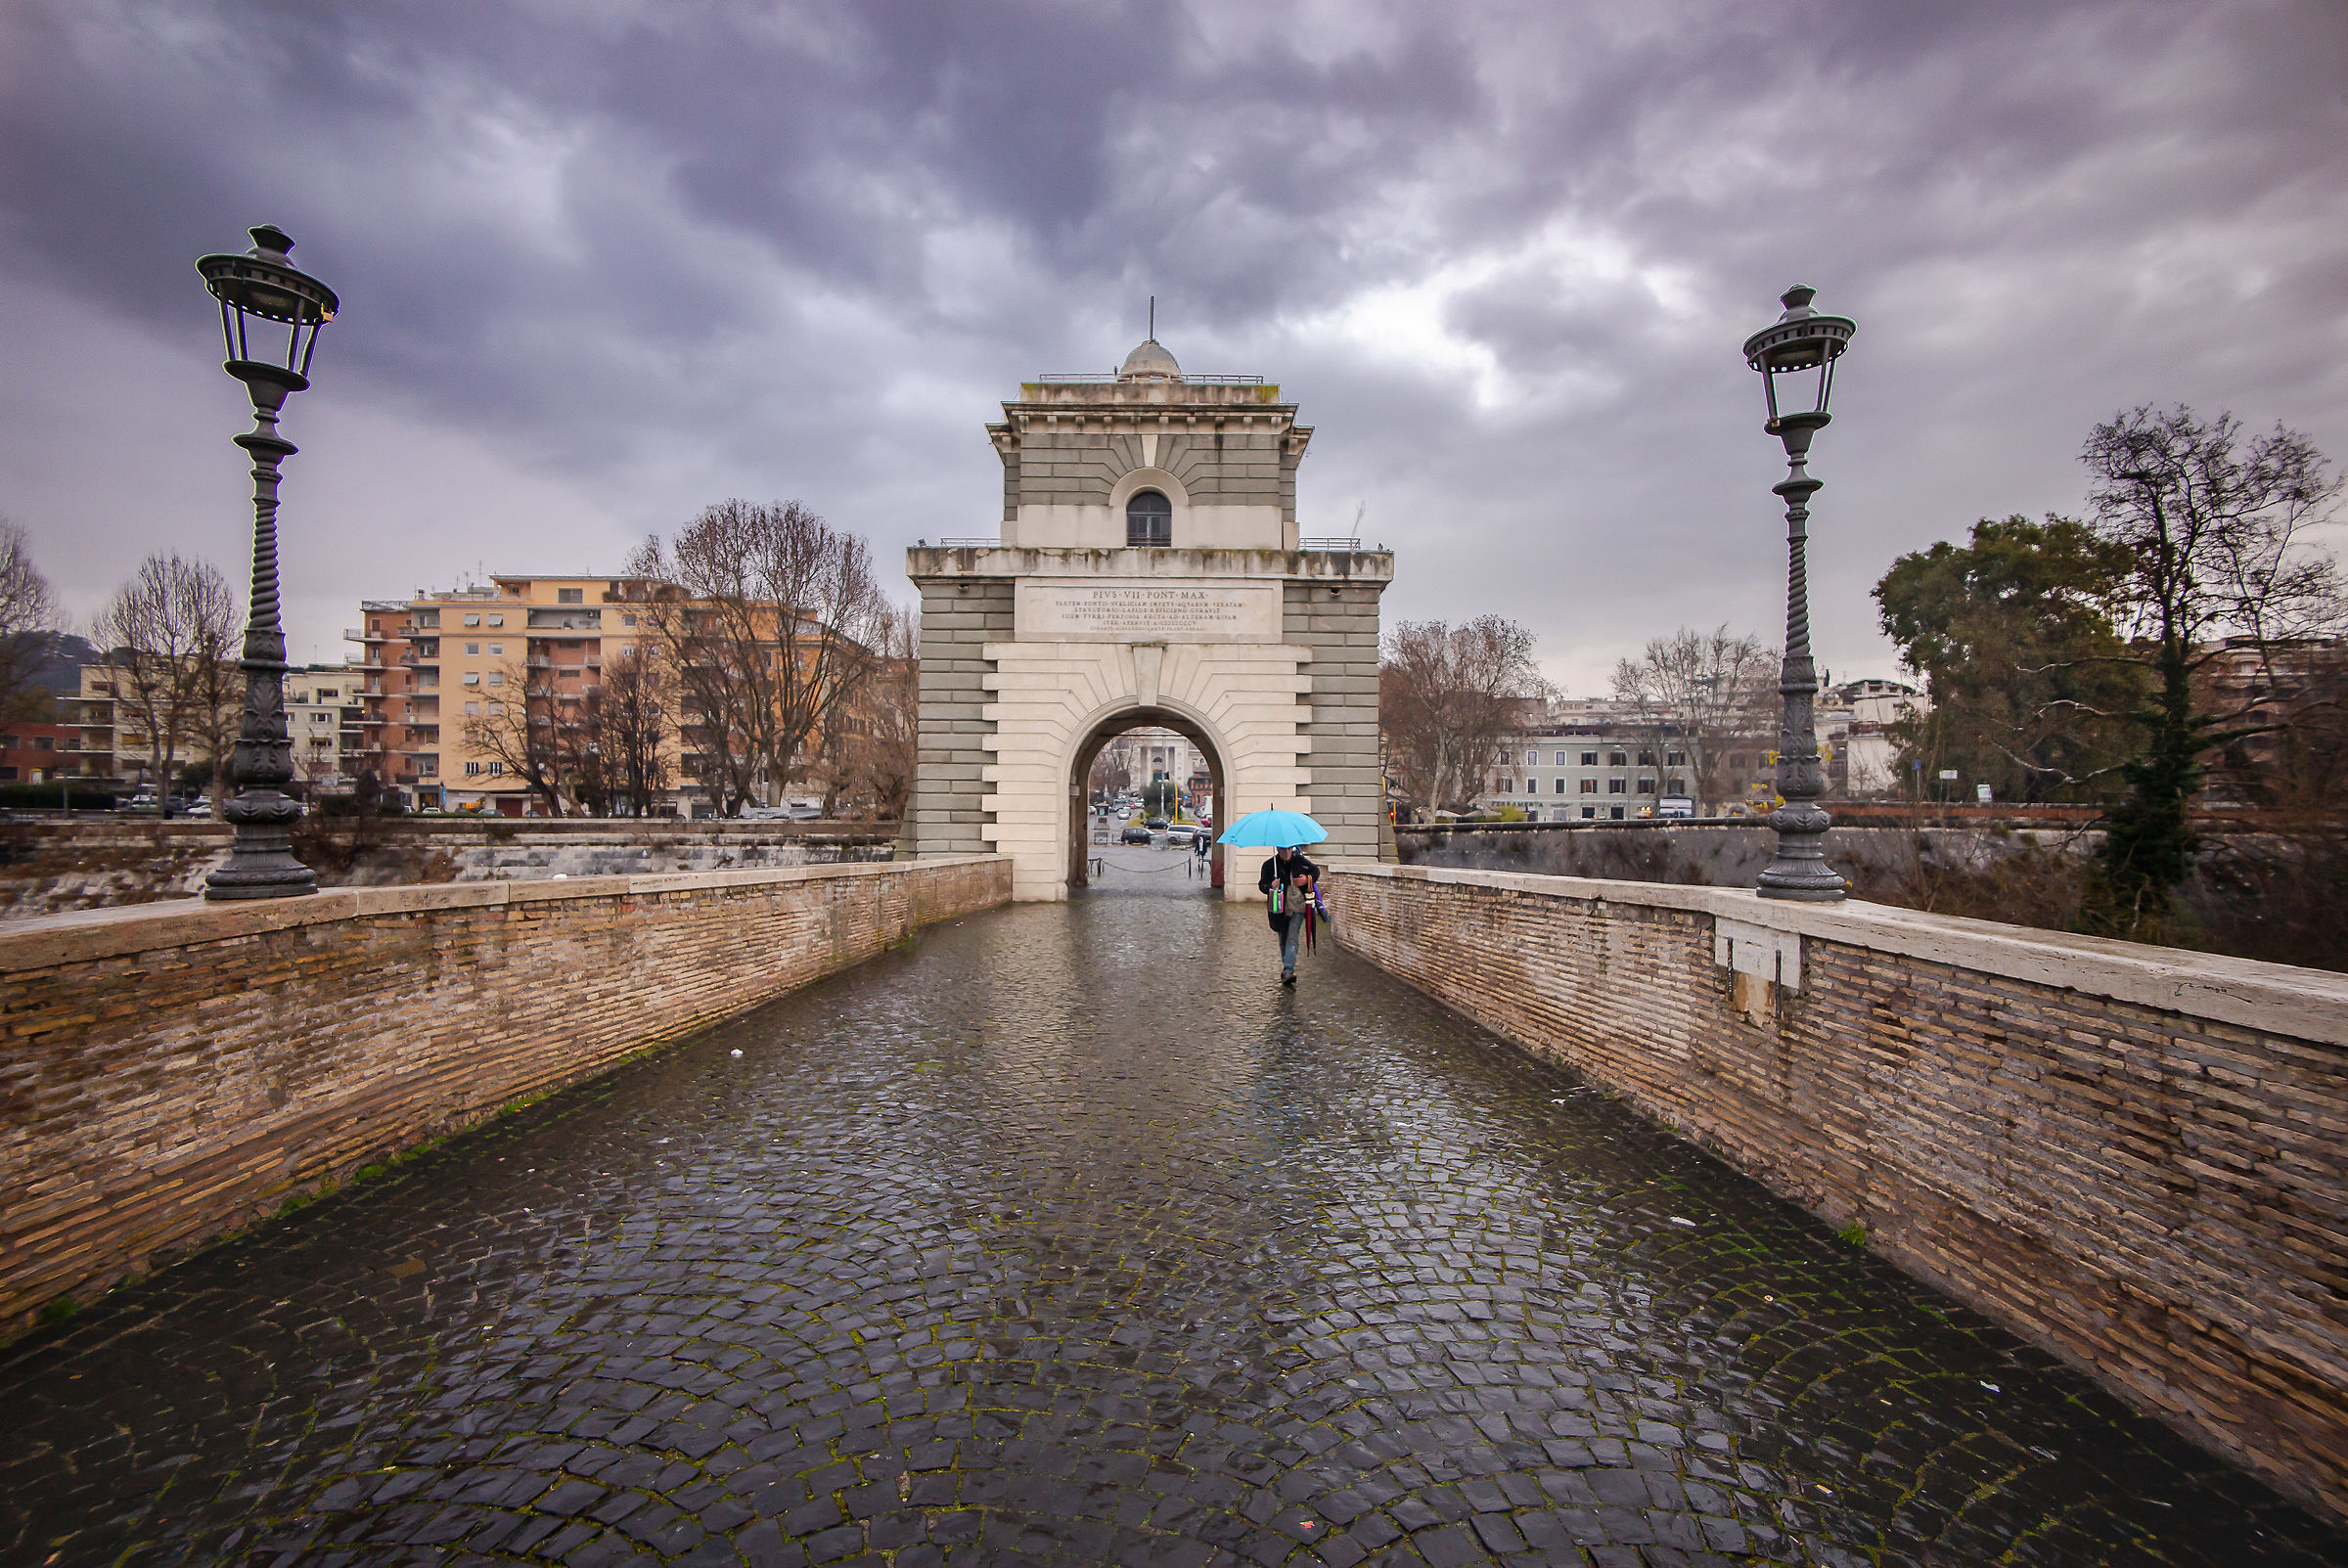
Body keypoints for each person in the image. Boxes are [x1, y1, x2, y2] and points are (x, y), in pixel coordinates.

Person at [1258, 842, 1321, 985]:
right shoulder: (1269, 865)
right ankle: (1287, 967)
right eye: (1283, 849)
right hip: (1279, 909)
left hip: (1298, 907)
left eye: (1289, 849)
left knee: (1292, 936)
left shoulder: (1299, 860)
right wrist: (1270, 886)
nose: (1286, 852)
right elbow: (1262, 885)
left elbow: (1315, 872)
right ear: (1278, 849)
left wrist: (1306, 879)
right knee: (1283, 939)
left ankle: (1288, 970)